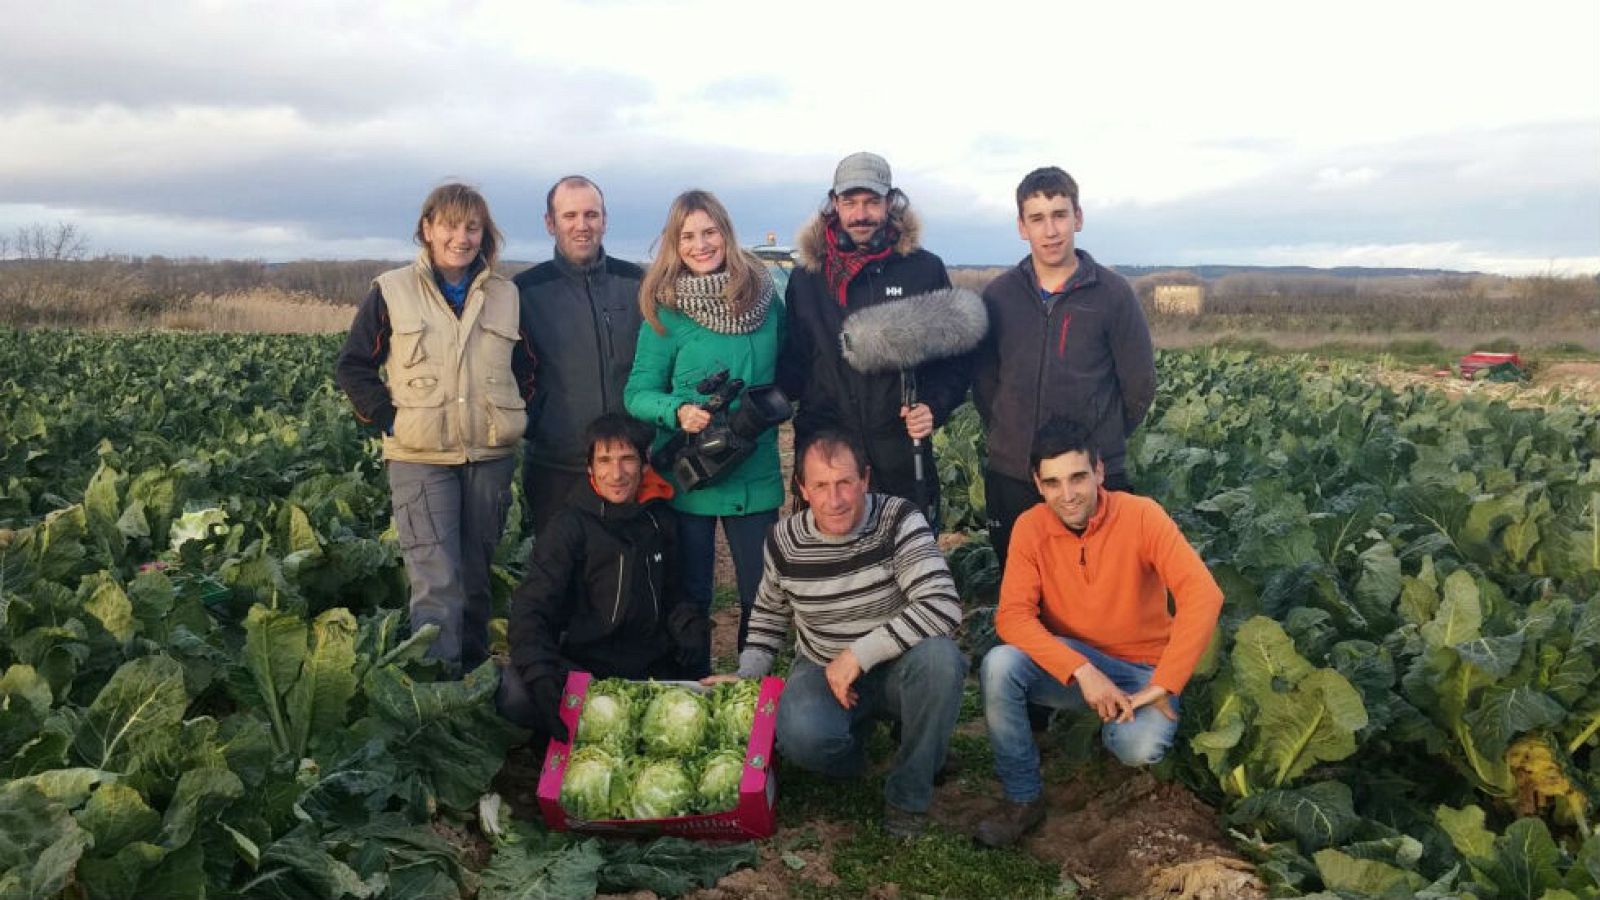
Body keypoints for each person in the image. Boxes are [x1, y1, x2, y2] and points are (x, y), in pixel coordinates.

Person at [975, 419, 1222, 847]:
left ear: (1100, 472)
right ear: (1037, 483)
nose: (1067, 495)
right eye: (1052, 482)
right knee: (999, 665)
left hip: (1141, 670)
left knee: (1135, 747)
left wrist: (1166, 681)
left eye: (1077, 477)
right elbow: (1011, 617)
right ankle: (1022, 798)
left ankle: (1118, 722)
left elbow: (1204, 594)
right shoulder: (1031, 528)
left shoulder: (1141, 515)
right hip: (1076, 666)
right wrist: (1083, 671)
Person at [718, 430, 966, 839]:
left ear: (865, 479)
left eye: (845, 482)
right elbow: (768, 613)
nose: (835, 500)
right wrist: (748, 677)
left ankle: (909, 792)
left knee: (942, 661)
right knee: (801, 734)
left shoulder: (899, 519)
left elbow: (942, 605)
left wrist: (857, 657)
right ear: (802, 488)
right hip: (820, 666)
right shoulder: (785, 540)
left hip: (898, 666)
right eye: (820, 485)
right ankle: (857, 752)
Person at [336, 183, 536, 676]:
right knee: (435, 578)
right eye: (449, 225)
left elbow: (531, 369)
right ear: (427, 229)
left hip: (489, 458)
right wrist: (393, 419)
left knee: (474, 576)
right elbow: (354, 366)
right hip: (420, 458)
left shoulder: (507, 295)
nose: (461, 237)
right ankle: (435, 694)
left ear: (484, 234)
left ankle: (470, 681)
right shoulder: (391, 290)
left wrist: (511, 411)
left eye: (472, 227)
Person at [623, 190, 784, 653]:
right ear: (674, 243)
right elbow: (637, 392)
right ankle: (693, 683)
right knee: (691, 594)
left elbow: (789, 362)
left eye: (709, 232)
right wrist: (677, 411)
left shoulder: (766, 298)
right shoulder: (665, 308)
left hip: (754, 469)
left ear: (726, 234)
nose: (700, 245)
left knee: (762, 595)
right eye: (687, 235)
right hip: (691, 476)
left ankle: (755, 696)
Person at [974, 166, 1156, 570]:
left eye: (1059, 215)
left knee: (1100, 589)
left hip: (1090, 478)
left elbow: (1139, 385)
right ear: (1022, 227)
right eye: (1037, 219)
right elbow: (985, 385)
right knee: (1023, 590)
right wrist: (1011, 433)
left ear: (1078, 217)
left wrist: (1100, 438)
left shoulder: (1112, 294)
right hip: (1014, 475)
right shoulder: (999, 296)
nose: (1051, 230)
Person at [778, 152, 969, 524]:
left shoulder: (923, 270)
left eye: (871, 202)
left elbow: (955, 358)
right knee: (832, 570)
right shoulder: (807, 278)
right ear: (834, 204)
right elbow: (794, 364)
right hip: (828, 456)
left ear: (890, 202)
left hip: (901, 454)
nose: (861, 214)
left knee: (906, 564)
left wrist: (933, 405)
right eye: (850, 202)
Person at [499, 412, 709, 740]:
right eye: (604, 460)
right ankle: (568, 722)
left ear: (644, 464)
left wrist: (688, 622)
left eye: (627, 459)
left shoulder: (661, 520)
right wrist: (541, 675)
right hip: (583, 671)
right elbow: (532, 607)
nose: (616, 473)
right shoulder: (568, 526)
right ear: (590, 468)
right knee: (516, 690)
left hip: (649, 671)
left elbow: (675, 592)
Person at [513, 175, 646, 537]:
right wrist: (537, 421)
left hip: (628, 465)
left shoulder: (637, 284)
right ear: (550, 223)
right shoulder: (524, 292)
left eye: (591, 214)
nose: (582, 226)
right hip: (556, 467)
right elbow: (509, 373)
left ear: (605, 219)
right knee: (561, 579)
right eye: (570, 216)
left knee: (626, 578)